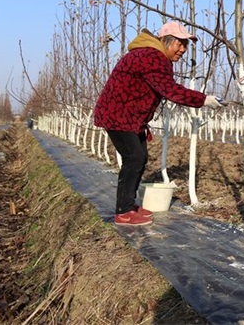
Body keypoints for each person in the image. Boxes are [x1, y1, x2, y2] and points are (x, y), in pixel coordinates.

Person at [94, 21, 225, 226]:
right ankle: (123, 211)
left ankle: (129, 204)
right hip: (118, 116)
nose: (183, 49)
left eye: (186, 45)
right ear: (165, 40)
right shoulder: (152, 57)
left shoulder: (150, 54)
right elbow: (170, 90)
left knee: (139, 157)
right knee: (134, 158)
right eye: (179, 44)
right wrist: (203, 100)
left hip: (128, 117)